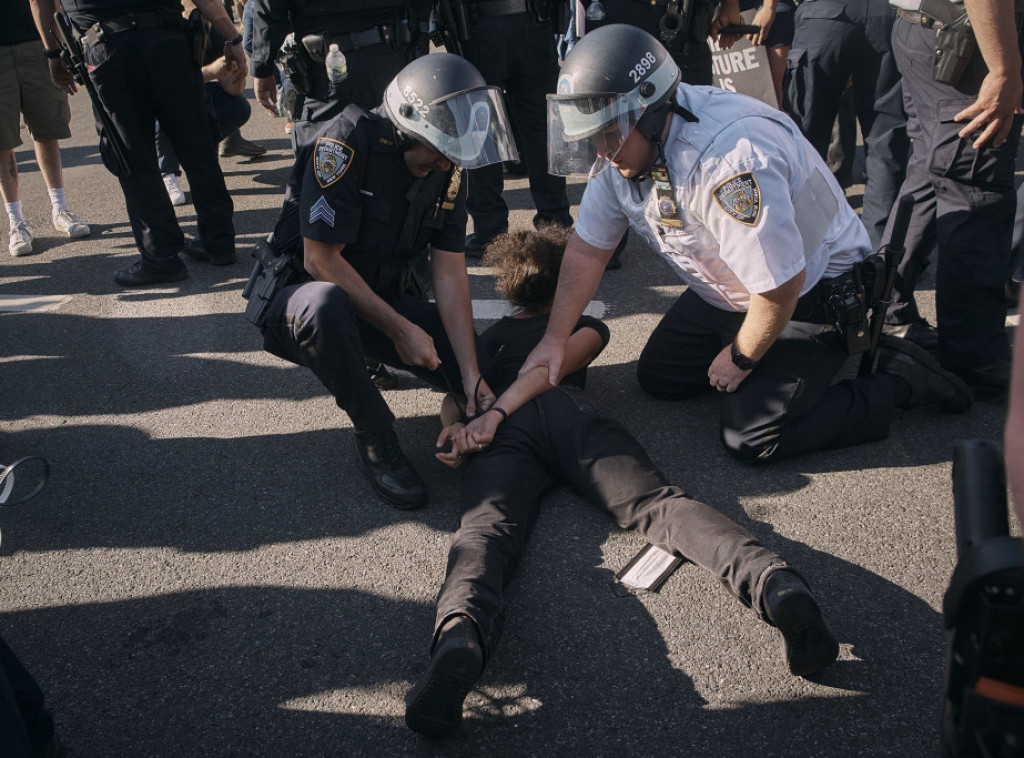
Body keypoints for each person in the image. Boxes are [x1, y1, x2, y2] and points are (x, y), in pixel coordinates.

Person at [404, 225, 840, 739]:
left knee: (485, 531)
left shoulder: (487, 341)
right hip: (566, 416)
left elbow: (459, 394)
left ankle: (461, 633)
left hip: (499, 430)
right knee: (659, 506)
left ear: (509, 288)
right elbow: (553, 369)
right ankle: (772, 581)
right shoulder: (584, 328)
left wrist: (454, 425)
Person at [530, 24, 973, 465]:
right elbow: (588, 250)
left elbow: (780, 285)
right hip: (737, 286)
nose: (602, 150)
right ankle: (765, 361)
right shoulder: (626, 149)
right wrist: (554, 338)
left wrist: (742, 357)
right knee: (660, 378)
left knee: (752, 436)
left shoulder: (730, 162)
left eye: (610, 133)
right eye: (593, 135)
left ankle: (899, 382)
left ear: (649, 110)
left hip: (809, 293)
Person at [259, 53, 518, 508]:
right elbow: (319, 260)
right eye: (433, 158)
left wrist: (472, 375)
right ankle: (375, 434)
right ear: (407, 132)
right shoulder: (341, 145)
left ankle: (393, 359)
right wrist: (401, 330)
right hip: (302, 302)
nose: (443, 167)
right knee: (327, 305)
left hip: (378, 301)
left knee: (481, 374)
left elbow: (451, 269)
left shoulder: (448, 165)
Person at [29, 0, 241, 286]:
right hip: (169, 40)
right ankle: (219, 242)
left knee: (133, 157)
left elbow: (39, 2)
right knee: (197, 145)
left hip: (108, 47)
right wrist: (232, 36)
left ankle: (162, 257)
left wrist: (53, 54)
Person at [878, 0, 1023, 398]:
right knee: (976, 194)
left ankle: (886, 310)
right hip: (965, 43)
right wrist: (1004, 69)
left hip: (930, 32)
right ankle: (974, 355)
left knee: (930, 172)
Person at [448, 0, 573, 257]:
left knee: (480, 132)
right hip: (534, 23)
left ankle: (491, 233)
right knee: (541, 129)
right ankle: (555, 225)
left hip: (479, 27)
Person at [783, 0, 908, 251]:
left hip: (824, 15)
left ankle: (804, 252)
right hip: (887, 15)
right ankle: (880, 259)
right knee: (886, 144)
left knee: (803, 144)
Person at [249, 0, 431, 152]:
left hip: (333, 71)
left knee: (325, 161)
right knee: (402, 152)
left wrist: (262, 67)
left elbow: (270, 7)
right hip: (401, 61)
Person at [2, 0, 90, 258]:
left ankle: (60, 208)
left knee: (47, 129)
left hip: (35, 42)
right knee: (2, 142)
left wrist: (58, 46)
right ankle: (16, 222)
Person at [158, 1, 266, 205]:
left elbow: (231, 89)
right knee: (164, 107)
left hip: (191, 94)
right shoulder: (166, 31)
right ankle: (166, 172)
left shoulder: (211, 29)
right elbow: (165, 84)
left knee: (238, 107)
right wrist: (210, 71)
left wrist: (237, 74)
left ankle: (203, 154)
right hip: (157, 101)